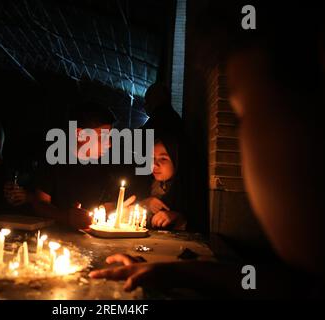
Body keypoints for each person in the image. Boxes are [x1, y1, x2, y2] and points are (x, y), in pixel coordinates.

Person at [89, 1, 325, 297]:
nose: (243, 145)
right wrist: (174, 272)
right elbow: (278, 284)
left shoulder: (187, 182)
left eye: (253, 112)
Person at [33, 101, 133, 229]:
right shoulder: (54, 160)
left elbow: (109, 204)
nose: (109, 144)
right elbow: (39, 204)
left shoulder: (108, 166)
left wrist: (118, 209)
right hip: (56, 236)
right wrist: (66, 216)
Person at [139, 136, 185, 230]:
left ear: (177, 161)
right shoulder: (147, 184)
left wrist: (177, 217)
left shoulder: (189, 192)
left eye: (163, 158)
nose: (154, 165)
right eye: (152, 158)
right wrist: (145, 203)